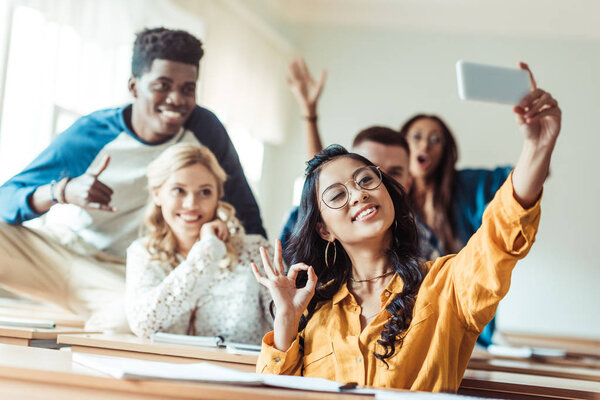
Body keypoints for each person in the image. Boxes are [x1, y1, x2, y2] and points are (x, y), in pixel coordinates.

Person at [252, 65, 561, 392]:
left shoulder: (445, 287)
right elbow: (273, 394)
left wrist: (537, 146)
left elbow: (499, 236)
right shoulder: (313, 308)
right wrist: (286, 319)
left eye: (366, 180)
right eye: (338, 195)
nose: (358, 194)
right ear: (324, 230)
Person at [0, 27, 264, 330]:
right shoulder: (93, 133)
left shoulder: (204, 131)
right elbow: (6, 198)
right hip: (61, 253)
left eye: (188, 88)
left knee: (130, 321)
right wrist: (62, 191)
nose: (176, 99)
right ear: (134, 86)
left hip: (131, 272)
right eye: (162, 85)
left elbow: (246, 213)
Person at [281, 59, 441, 261]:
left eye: (394, 173)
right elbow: (323, 177)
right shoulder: (300, 223)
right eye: (366, 176)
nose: (375, 186)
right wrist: (309, 114)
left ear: (408, 184)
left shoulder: (423, 242)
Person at [126, 143, 271, 343]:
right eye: (179, 190)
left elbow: (290, 329)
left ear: (219, 195)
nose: (191, 204)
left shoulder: (255, 250)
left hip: (240, 372)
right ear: (157, 194)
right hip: (162, 371)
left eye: (204, 192)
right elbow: (143, 324)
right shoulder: (143, 253)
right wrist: (208, 251)